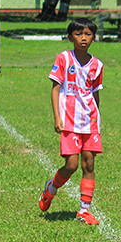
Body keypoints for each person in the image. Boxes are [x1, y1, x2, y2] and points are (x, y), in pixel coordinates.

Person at [37, 18, 105, 225]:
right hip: (69, 121)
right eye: (78, 34)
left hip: (90, 121)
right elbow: (55, 88)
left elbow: (95, 94)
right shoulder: (64, 59)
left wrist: (96, 119)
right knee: (72, 165)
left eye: (87, 34)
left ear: (93, 38)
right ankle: (51, 188)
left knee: (89, 164)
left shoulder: (98, 65)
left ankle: (84, 211)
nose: (83, 38)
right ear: (70, 37)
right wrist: (57, 116)